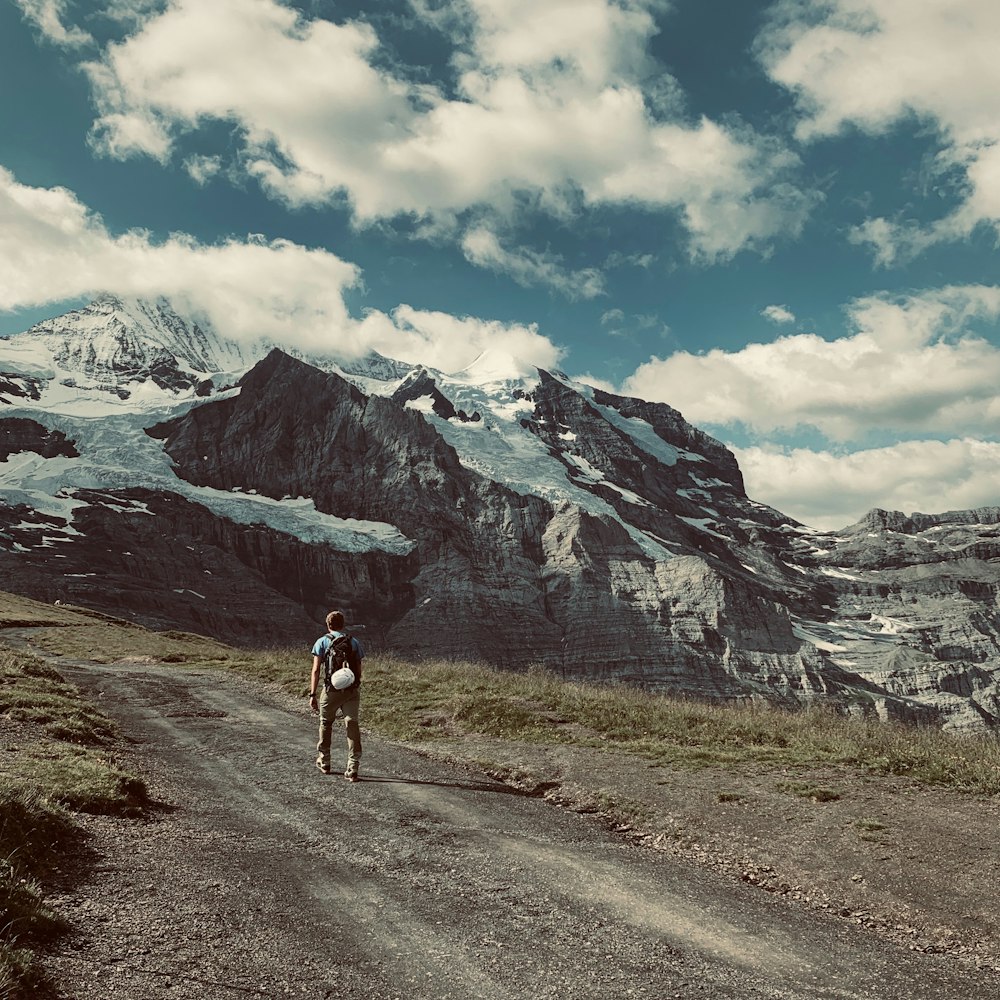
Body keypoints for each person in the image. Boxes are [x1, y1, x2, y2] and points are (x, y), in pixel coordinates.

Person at [309, 610, 364, 781]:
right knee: (351, 724)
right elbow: (359, 668)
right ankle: (353, 767)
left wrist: (313, 694)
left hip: (331, 690)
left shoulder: (322, 642)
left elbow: (316, 670)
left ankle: (325, 761)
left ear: (328, 625)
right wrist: (354, 685)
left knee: (326, 723)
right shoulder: (353, 642)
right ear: (343, 624)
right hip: (351, 691)